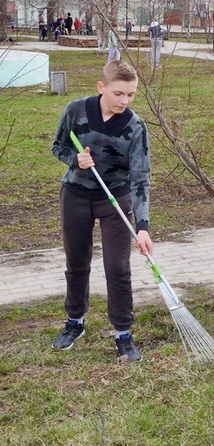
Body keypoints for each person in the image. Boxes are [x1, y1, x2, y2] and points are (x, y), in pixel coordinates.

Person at [50, 60, 151, 362]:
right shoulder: (76, 110)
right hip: (76, 196)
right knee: (77, 262)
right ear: (101, 87)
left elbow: (141, 177)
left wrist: (143, 225)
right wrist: (74, 160)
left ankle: (123, 332)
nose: (124, 101)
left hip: (115, 201)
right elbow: (58, 146)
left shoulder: (135, 127)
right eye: (118, 93)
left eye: (131, 95)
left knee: (117, 268)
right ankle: (74, 322)